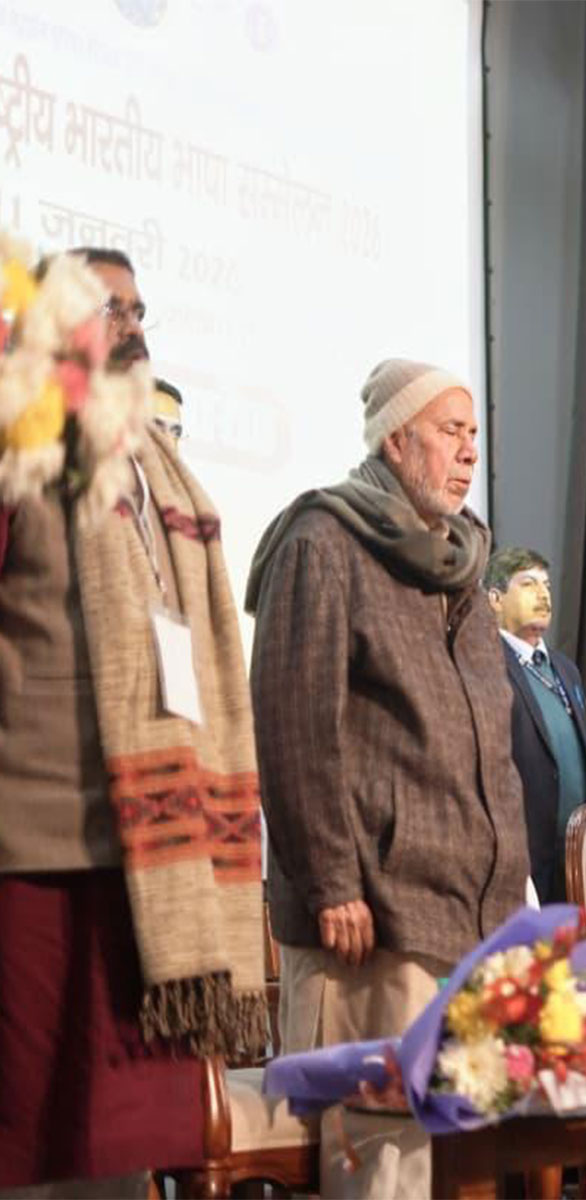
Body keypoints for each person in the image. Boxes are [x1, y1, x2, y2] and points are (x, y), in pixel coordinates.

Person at [0, 247, 266, 1189]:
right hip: (39, 853)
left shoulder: (160, 469)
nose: (133, 325)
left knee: (134, 1147)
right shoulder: (15, 439)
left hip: (156, 864)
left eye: (140, 308)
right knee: (38, 1140)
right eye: (109, 308)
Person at [246, 359, 528, 1199]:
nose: (469, 451)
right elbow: (296, 730)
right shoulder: (322, 543)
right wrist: (333, 881)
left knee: (465, 1165)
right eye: (450, 431)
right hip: (371, 921)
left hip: (470, 919)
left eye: (474, 433)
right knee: (378, 1166)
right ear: (396, 440)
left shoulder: (464, 564)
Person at [485, 545, 586, 904]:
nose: (543, 594)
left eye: (546, 585)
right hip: (523, 860)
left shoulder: (565, 668)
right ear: (495, 599)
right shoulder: (486, 665)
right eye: (528, 584)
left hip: (577, 856)